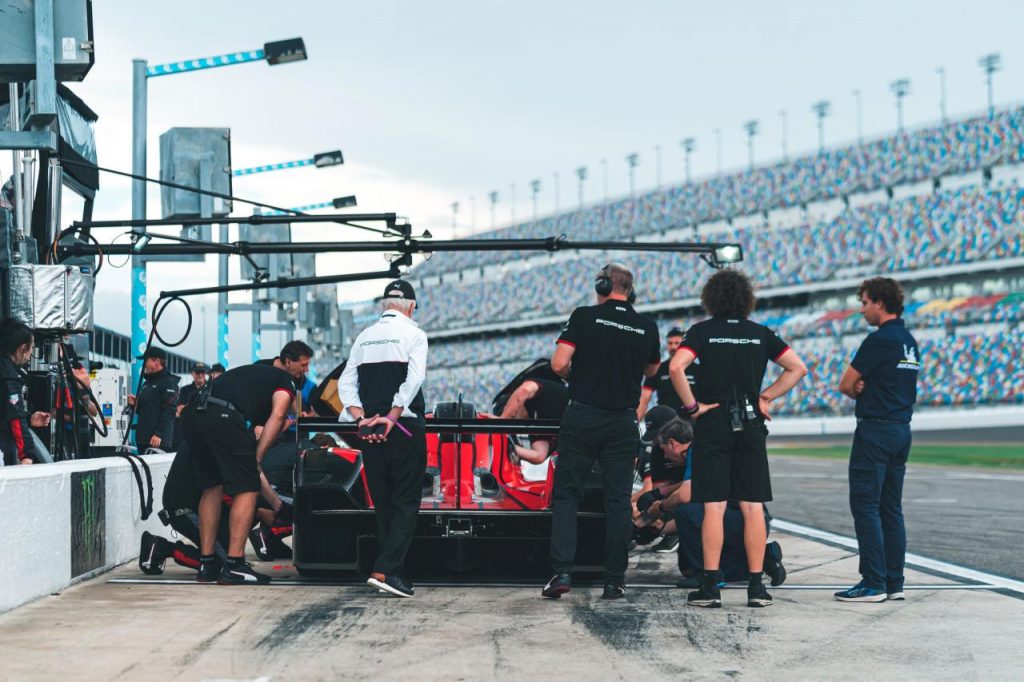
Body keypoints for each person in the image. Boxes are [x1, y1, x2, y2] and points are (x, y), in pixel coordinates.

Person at [669, 269, 807, 608]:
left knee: (713, 507)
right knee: (752, 507)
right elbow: (797, 368)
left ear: (711, 299)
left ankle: (710, 587)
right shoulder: (760, 333)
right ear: (746, 299)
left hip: (714, 422)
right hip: (750, 423)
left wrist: (691, 406)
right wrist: (766, 398)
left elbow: (675, 367)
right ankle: (757, 588)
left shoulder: (702, 331)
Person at [542, 263, 661, 601]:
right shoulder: (647, 326)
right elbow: (652, 369)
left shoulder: (583, 316)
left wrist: (579, 376)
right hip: (622, 421)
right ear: (631, 291)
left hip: (582, 415)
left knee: (567, 496)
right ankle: (614, 580)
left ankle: (562, 571)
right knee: (618, 502)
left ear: (602, 284)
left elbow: (558, 364)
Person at [338, 279, 428, 599]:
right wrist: (391, 416)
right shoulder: (414, 334)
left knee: (384, 504)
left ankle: (393, 573)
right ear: (411, 307)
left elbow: (345, 385)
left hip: (369, 431)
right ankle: (384, 569)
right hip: (401, 428)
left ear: (384, 306)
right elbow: (413, 380)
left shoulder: (363, 337)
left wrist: (362, 418)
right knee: (405, 502)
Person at [834, 277, 919, 603]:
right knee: (890, 508)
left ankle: (873, 582)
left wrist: (859, 386)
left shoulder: (879, 340)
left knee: (866, 505)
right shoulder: (908, 340)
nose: (862, 309)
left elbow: (846, 384)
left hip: (875, 430)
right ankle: (894, 582)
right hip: (901, 428)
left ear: (880, 303)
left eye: (865, 302)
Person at [637, 417, 787, 589]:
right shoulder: (711, 450)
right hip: (754, 520)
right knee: (689, 565)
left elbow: (685, 495)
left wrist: (660, 509)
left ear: (673, 444)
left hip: (738, 519)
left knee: (684, 512)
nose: (665, 456)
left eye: (664, 450)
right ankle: (765, 558)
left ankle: (707, 575)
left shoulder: (697, 450)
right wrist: (659, 528)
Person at [179, 363, 294, 585]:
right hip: (220, 414)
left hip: (193, 414)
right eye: (304, 365)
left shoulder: (246, 380)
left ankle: (207, 563)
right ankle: (235, 565)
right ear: (289, 363)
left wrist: (276, 503)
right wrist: (258, 458)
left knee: (212, 485)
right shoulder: (284, 379)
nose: (305, 370)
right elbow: (279, 415)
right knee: (247, 487)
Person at [0, 319, 51, 466]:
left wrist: (29, 419)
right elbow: (14, 416)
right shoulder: (9, 375)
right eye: (31, 349)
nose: (30, 356)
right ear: (23, 349)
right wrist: (27, 455)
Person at [498, 376, 568, 464]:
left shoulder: (538, 396)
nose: (515, 420)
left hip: (584, 414)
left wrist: (502, 420)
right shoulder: (534, 423)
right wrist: (506, 445)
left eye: (512, 414)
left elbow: (525, 389)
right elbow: (539, 456)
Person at [128, 347, 179, 453]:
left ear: (156, 361)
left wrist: (158, 434)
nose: (144, 364)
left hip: (158, 441)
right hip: (143, 439)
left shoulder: (168, 381)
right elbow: (145, 410)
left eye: (146, 360)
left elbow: (169, 410)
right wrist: (135, 404)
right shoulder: (147, 383)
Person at [637, 328, 693, 419]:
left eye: (676, 343)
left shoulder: (697, 369)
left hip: (691, 423)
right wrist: (636, 421)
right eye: (670, 343)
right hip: (665, 424)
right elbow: (644, 398)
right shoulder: (658, 369)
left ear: (683, 344)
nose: (673, 347)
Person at [257, 341, 316, 414]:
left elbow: (296, 407)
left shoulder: (298, 377)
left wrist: (301, 415)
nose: (307, 370)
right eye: (303, 365)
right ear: (288, 362)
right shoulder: (260, 369)